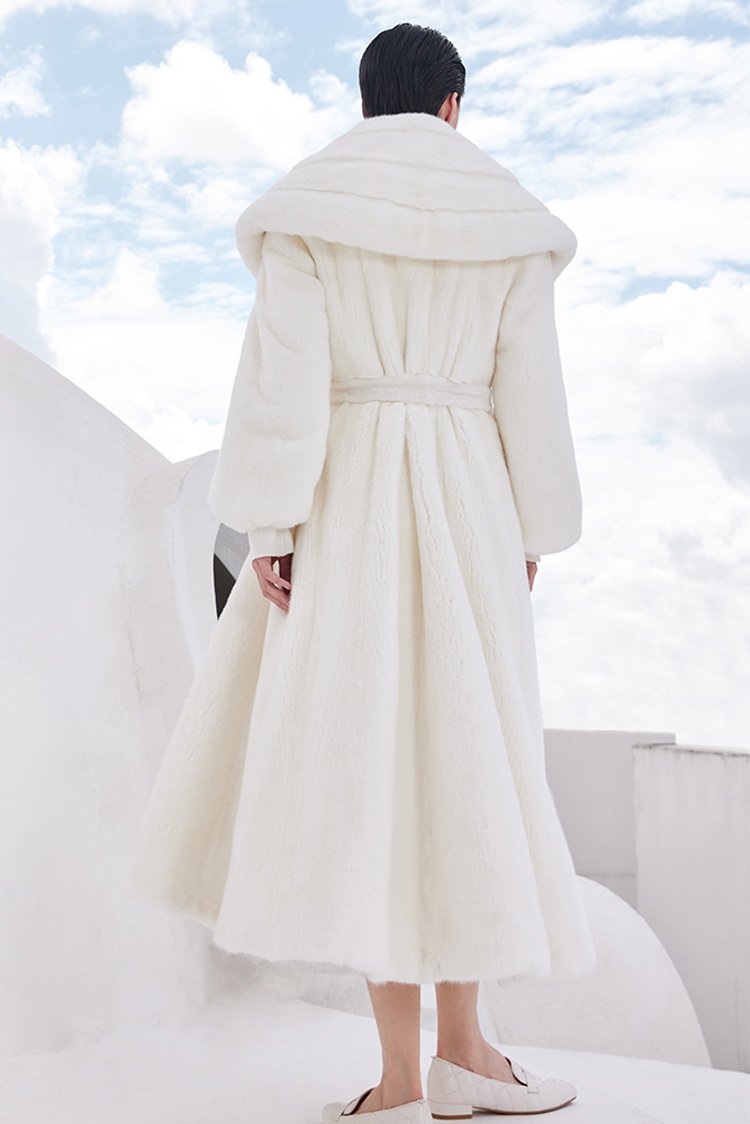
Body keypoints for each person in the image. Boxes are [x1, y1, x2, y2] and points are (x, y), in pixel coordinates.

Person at [127, 21, 598, 1124]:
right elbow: (532, 390)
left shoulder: (314, 212)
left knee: (376, 770)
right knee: (465, 762)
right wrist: (533, 528)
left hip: (349, 499)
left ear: (366, 100)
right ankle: (467, 1052)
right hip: (471, 492)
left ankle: (402, 1076)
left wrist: (271, 523)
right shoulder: (505, 221)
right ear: (452, 105)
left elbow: (281, 384)